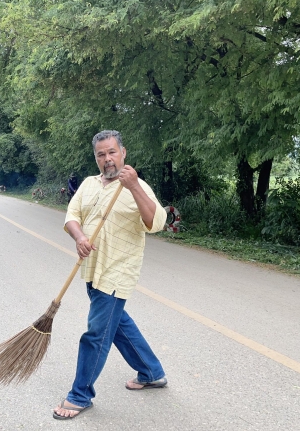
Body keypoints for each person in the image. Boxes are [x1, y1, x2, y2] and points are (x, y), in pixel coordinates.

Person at [52, 130, 168, 420]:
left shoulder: (138, 186)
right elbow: (71, 216)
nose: (107, 159)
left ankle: (80, 395)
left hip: (118, 271)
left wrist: (133, 186)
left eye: (112, 152)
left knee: (96, 334)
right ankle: (151, 372)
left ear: (123, 152)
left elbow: (156, 223)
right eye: (101, 154)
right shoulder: (89, 184)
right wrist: (79, 237)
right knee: (118, 325)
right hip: (92, 270)